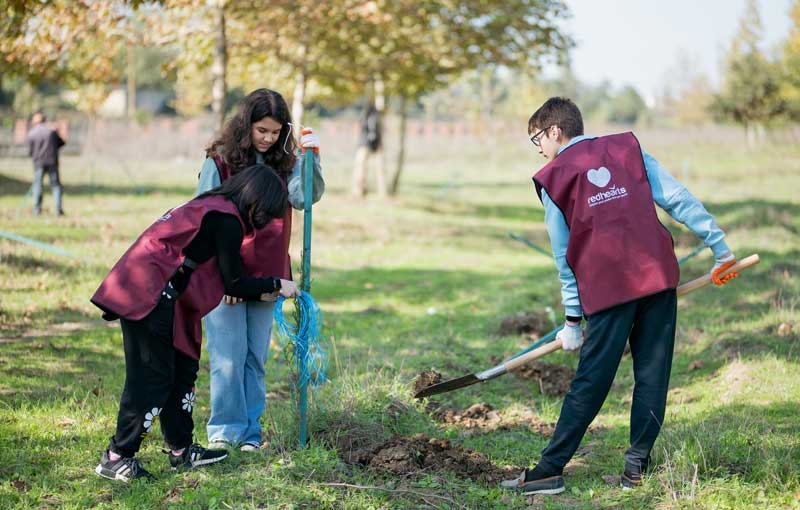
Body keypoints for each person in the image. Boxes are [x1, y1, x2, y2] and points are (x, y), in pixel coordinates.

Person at [502, 97, 738, 495]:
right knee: (652, 374)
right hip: (657, 278)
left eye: (537, 138)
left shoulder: (554, 177)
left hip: (608, 291)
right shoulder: (628, 149)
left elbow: (564, 257)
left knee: (590, 381)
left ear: (555, 131)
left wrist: (572, 319)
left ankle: (549, 471)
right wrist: (719, 246)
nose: (538, 148)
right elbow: (677, 198)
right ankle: (636, 468)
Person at [91, 165, 301, 482]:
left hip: (166, 296)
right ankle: (116, 456)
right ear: (256, 201)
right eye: (265, 213)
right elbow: (233, 283)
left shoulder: (214, 206)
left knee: (182, 370)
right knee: (152, 378)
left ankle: (181, 449)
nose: (262, 222)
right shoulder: (227, 219)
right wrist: (277, 284)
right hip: (150, 294)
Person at [196, 88, 324, 452]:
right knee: (227, 358)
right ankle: (225, 431)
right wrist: (222, 277)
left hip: (269, 275)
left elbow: (303, 198)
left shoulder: (286, 163)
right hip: (226, 275)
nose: (268, 138)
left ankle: (251, 433)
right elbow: (203, 217)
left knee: (255, 357)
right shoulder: (221, 162)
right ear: (246, 125)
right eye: (261, 130)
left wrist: (311, 160)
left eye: (275, 132)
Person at [26, 112, 66, 216]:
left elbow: (30, 151)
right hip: (52, 162)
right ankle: (58, 210)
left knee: (38, 186)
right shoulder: (51, 132)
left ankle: (37, 210)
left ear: (34, 122)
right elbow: (62, 143)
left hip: (38, 163)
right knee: (55, 185)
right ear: (44, 120)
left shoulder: (31, 133)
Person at [351, 101, 385, 197]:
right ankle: (360, 190)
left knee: (361, 168)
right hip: (366, 145)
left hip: (365, 145)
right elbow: (372, 132)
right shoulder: (372, 116)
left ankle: (359, 190)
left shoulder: (366, 116)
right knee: (361, 169)